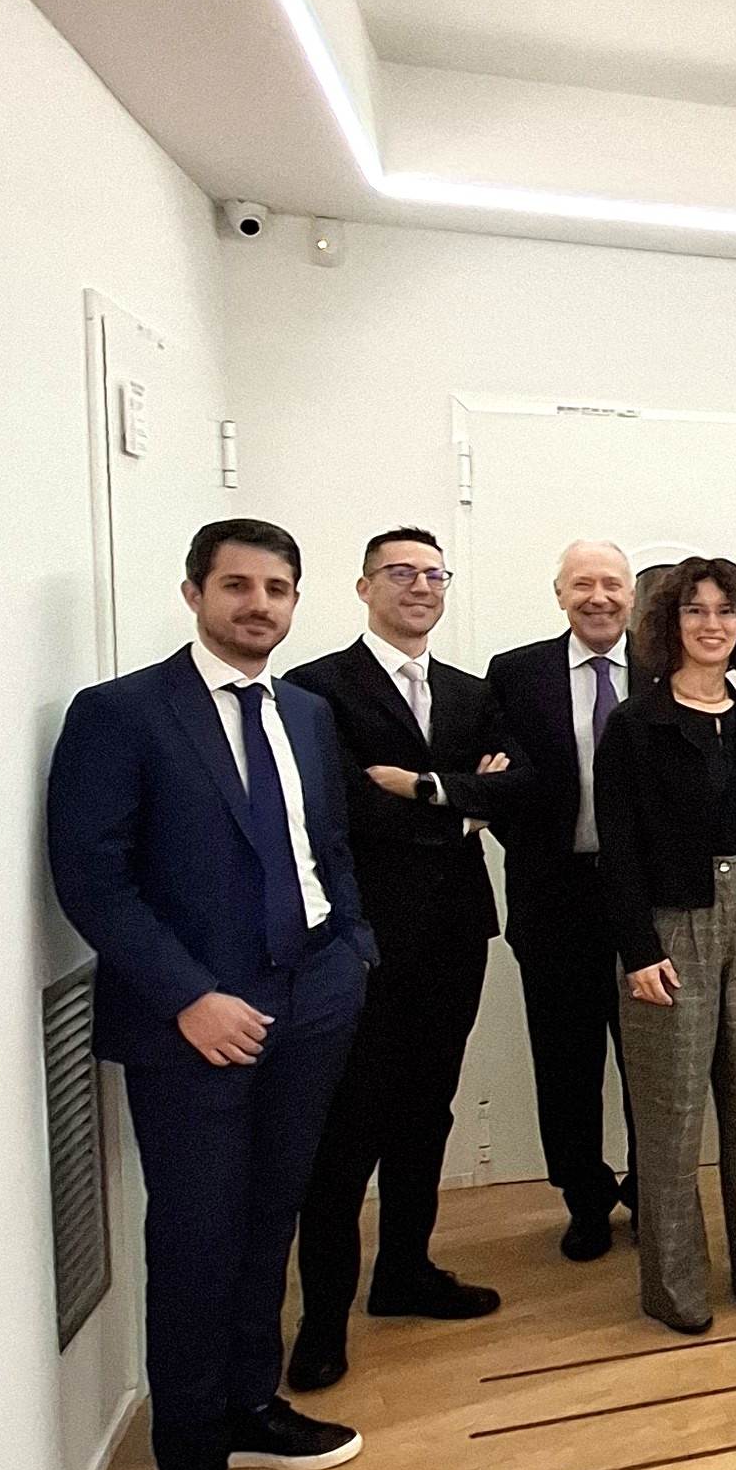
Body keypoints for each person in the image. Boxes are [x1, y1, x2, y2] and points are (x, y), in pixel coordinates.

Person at [47, 519, 374, 1470]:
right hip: (196, 1021)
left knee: (270, 1213)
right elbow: (93, 877)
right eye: (237, 585)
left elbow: (324, 849)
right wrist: (190, 995)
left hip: (311, 996)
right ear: (194, 590)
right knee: (194, 1238)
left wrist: (350, 954)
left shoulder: (308, 713)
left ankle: (249, 1403)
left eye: (278, 587)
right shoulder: (122, 713)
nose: (259, 605)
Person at [284, 528, 526, 1394]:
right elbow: (340, 809)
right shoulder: (314, 689)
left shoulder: (468, 693)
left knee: (429, 1109)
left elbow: (517, 787)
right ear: (362, 587)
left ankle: (406, 1273)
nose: (420, 586)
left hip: (457, 933)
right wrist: (464, 803)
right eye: (401, 573)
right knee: (347, 1127)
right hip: (362, 940)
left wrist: (425, 789)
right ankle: (320, 1320)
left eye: (433, 573)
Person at [595, 556, 736, 1333]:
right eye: (694, 610)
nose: (711, 623)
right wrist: (638, 950)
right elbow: (617, 849)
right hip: (670, 927)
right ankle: (677, 1290)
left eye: (725, 610)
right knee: (672, 1115)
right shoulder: (633, 725)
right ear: (668, 625)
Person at [484, 538, 642, 1262]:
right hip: (556, 899)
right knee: (566, 1061)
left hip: (648, 900)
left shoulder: (666, 668)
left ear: (633, 595)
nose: (599, 597)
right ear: (560, 594)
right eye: (583, 584)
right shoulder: (515, 674)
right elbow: (495, 781)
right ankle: (584, 1197)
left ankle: (653, 1190)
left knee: (654, 1060)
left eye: (612, 583)